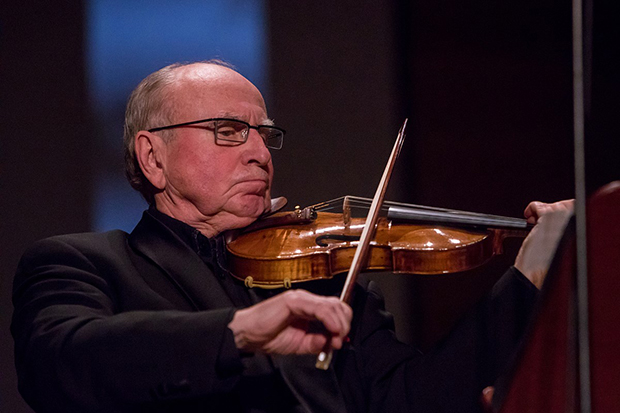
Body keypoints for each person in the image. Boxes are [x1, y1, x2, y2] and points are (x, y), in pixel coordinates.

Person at [11, 60, 573, 413]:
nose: (260, 153)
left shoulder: (327, 283)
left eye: (265, 134)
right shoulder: (83, 264)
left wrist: (529, 279)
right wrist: (239, 332)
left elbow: (418, 399)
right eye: (229, 131)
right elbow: (60, 363)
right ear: (153, 158)